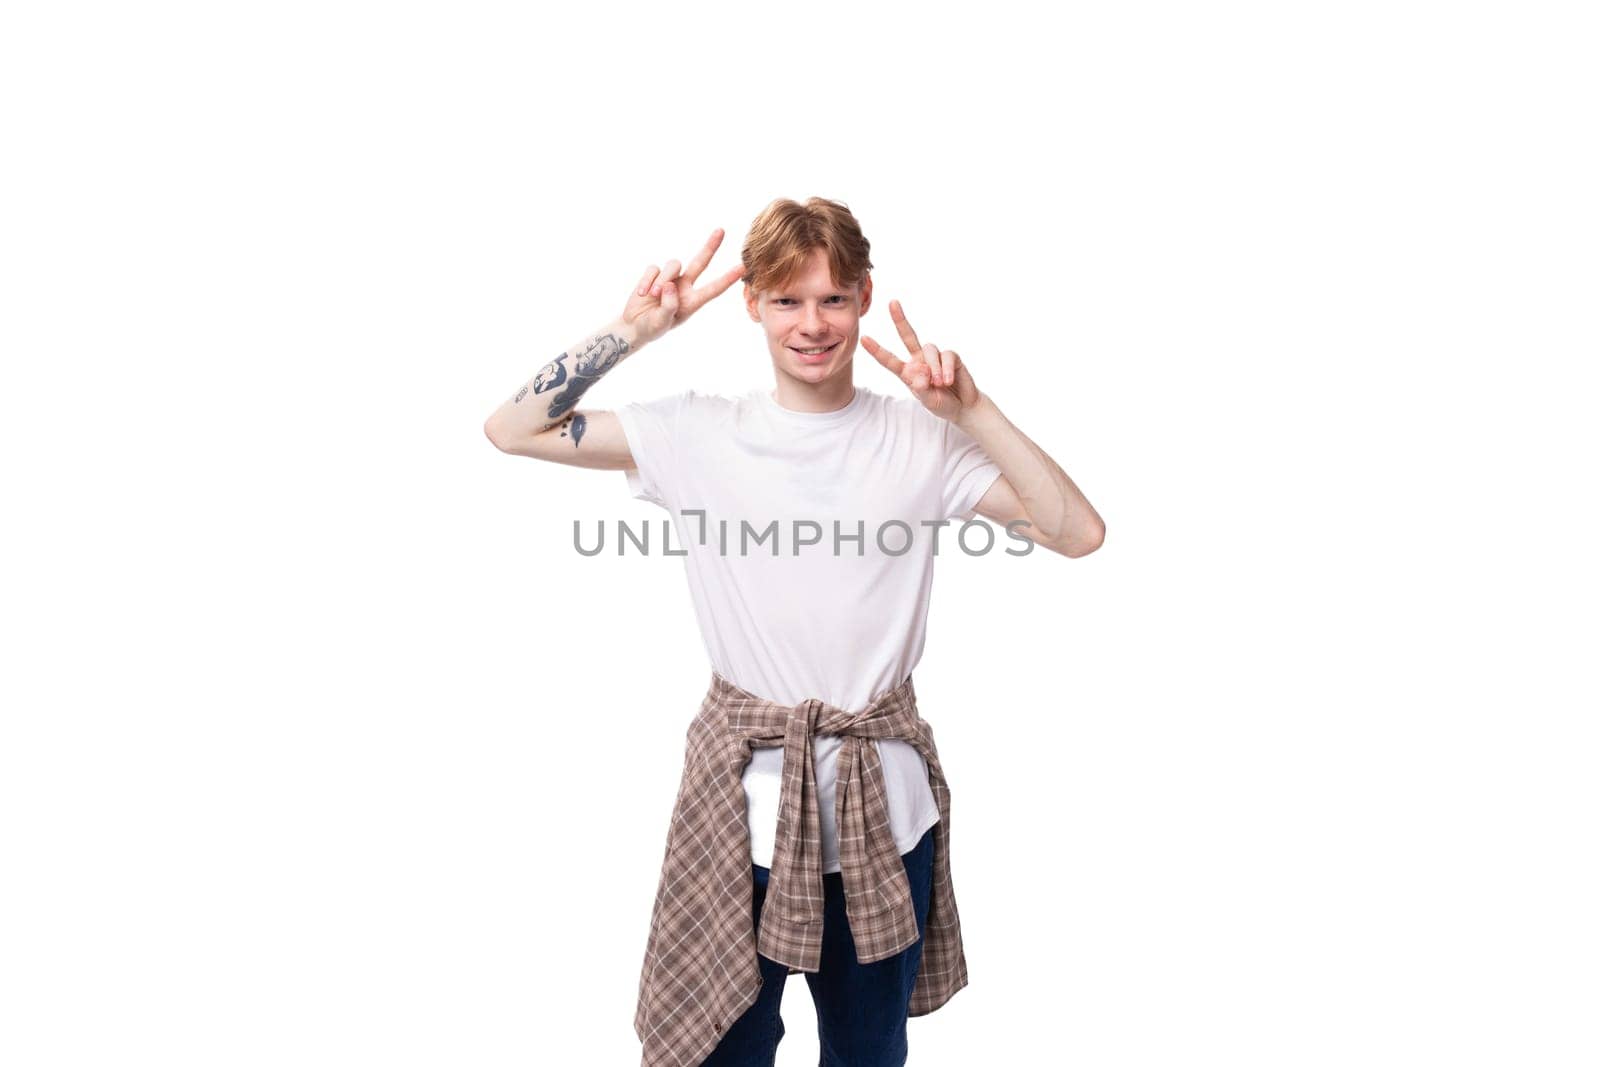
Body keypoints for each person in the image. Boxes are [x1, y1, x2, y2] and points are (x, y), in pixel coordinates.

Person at [484, 197, 1104, 1066]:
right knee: (723, 1052)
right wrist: (634, 331)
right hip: (740, 818)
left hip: (883, 820)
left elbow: (1078, 532)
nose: (812, 324)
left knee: (867, 1053)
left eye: (833, 299)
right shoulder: (697, 432)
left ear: (862, 297)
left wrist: (975, 412)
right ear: (753, 307)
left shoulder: (920, 441)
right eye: (787, 300)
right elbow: (511, 428)